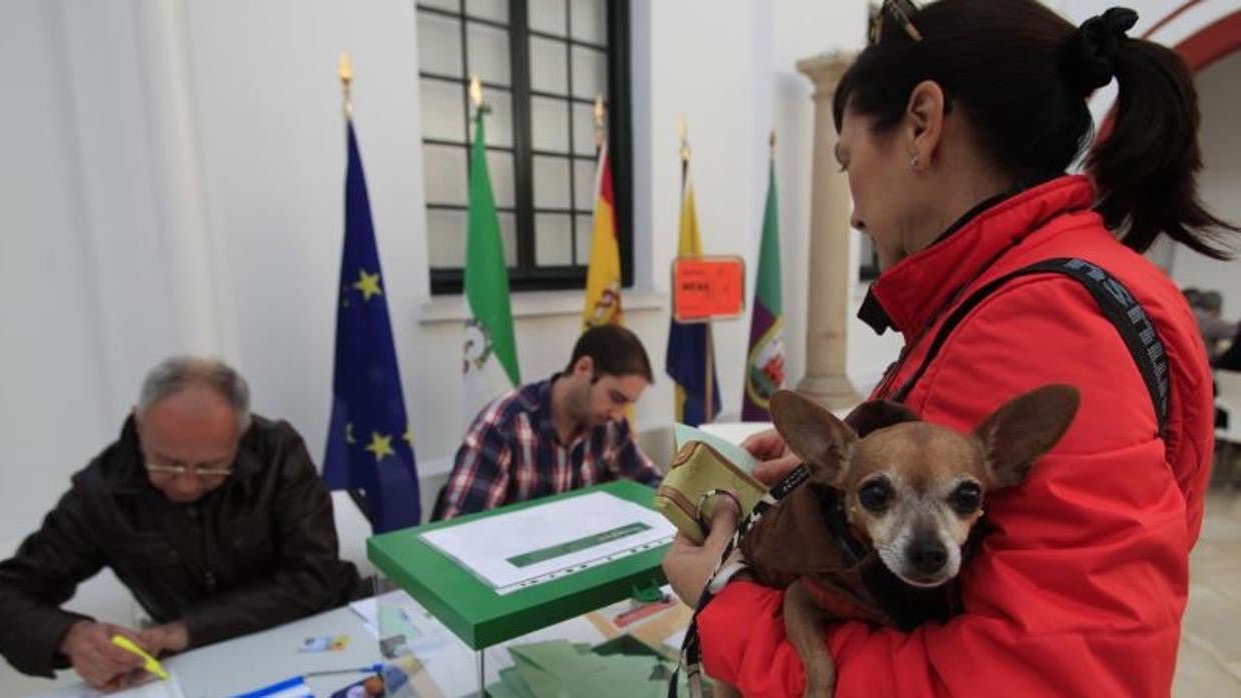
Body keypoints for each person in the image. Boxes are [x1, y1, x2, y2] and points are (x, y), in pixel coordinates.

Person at [663, 1, 1234, 696]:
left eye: (846, 162)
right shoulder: (1032, 283)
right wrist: (849, 471)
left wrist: (726, 601)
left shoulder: (1041, 325)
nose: (852, 210)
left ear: (922, 124)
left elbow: (1041, 680)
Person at [0, 357, 363, 690]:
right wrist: (71, 636)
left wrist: (185, 630)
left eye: (210, 467)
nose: (186, 484)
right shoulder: (102, 491)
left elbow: (315, 573)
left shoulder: (277, 450)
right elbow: (4, 594)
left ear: (241, 435)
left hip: (315, 633)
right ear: (139, 425)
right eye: (166, 464)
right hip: (201, 666)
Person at [436, 324, 661, 519]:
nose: (619, 415)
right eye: (616, 398)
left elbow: (652, 486)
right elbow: (460, 530)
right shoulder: (502, 427)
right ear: (583, 368)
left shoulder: (610, 425)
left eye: (627, 404)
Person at [1192, 290, 1238, 362]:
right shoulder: (1203, 319)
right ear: (1217, 308)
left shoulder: (1191, 313)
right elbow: (1233, 331)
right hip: (1198, 361)